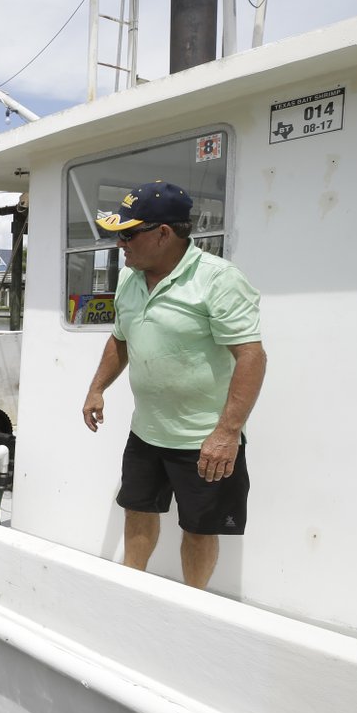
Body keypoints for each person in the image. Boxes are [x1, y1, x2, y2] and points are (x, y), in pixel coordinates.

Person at [83, 181, 267, 589]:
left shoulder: (218, 280)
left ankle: (193, 605)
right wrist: (97, 388)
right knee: (137, 509)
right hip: (146, 431)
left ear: (163, 233)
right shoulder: (131, 280)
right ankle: (132, 590)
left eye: (128, 234)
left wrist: (226, 433)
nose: (120, 244)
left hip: (203, 438)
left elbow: (251, 357)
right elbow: (121, 338)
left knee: (201, 528)